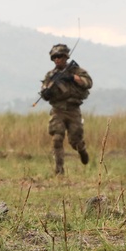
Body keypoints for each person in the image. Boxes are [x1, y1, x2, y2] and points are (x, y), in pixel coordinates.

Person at [39, 44, 92, 175]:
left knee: (75, 141)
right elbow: (44, 90)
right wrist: (46, 93)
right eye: (55, 57)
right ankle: (59, 170)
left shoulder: (76, 71)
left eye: (60, 57)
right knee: (57, 138)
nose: (57, 59)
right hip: (58, 110)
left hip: (73, 110)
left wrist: (73, 78)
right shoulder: (51, 76)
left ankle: (82, 150)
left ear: (65, 57)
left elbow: (88, 83)